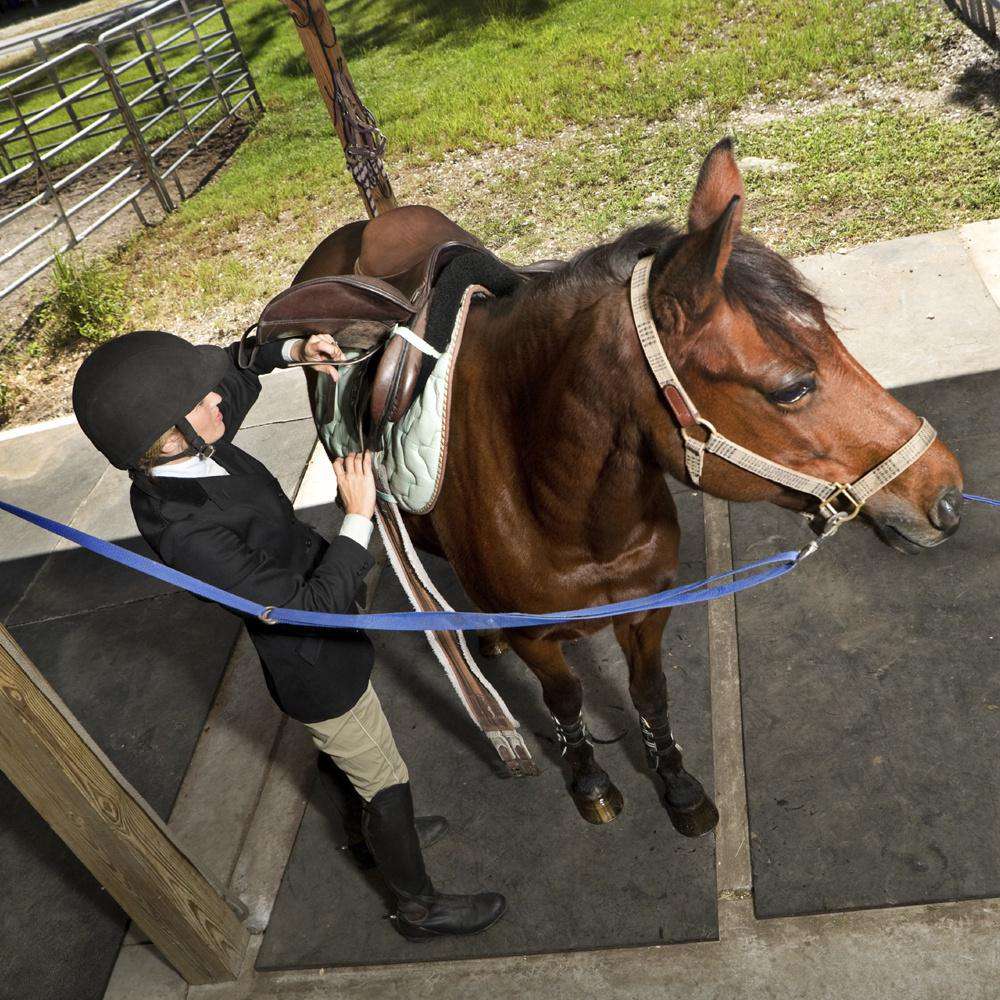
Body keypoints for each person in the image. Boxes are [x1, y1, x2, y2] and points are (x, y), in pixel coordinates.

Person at [71, 329, 506, 941]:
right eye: (200, 404)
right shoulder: (188, 533)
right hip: (315, 660)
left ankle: (363, 839)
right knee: (385, 778)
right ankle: (418, 905)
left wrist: (293, 353)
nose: (217, 402)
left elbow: (239, 369)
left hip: (313, 628)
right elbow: (309, 608)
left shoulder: (188, 447)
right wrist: (357, 514)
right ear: (168, 437)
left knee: (344, 761)